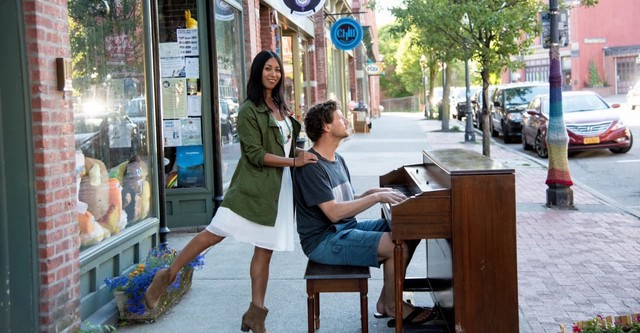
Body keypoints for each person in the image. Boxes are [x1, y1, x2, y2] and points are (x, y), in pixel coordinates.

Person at [144, 50, 318, 333]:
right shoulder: (249, 109)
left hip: (279, 190)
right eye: (267, 69)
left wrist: (303, 154)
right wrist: (294, 161)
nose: (273, 74)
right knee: (213, 233)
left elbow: (283, 147)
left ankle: (255, 314)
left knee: (265, 251)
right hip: (253, 186)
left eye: (277, 69)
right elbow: (255, 154)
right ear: (257, 72)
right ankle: (167, 275)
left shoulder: (280, 107)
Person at [292, 100, 437, 327]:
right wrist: (375, 197)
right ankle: (392, 305)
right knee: (393, 244)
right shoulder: (312, 167)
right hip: (324, 240)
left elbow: (343, 202)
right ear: (326, 127)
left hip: (344, 229)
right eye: (341, 118)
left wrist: (372, 191)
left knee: (407, 230)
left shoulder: (337, 159)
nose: (347, 120)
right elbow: (333, 213)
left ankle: (386, 301)